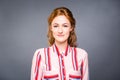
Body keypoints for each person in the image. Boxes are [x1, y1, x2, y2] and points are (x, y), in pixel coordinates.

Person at [31, 7, 89, 80]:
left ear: (71, 27)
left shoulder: (82, 55)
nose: (60, 31)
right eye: (56, 26)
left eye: (65, 26)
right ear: (51, 28)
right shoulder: (40, 55)